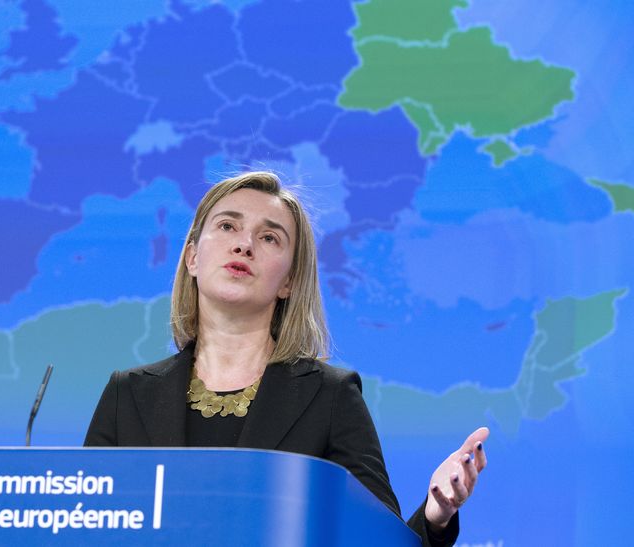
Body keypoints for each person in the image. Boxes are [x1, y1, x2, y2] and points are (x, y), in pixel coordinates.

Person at [85, 172, 488, 546]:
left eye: (269, 238)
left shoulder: (331, 397)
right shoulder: (127, 395)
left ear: (290, 281)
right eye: (228, 226)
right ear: (192, 257)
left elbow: (377, 539)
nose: (244, 244)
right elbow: (84, 529)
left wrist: (437, 516)